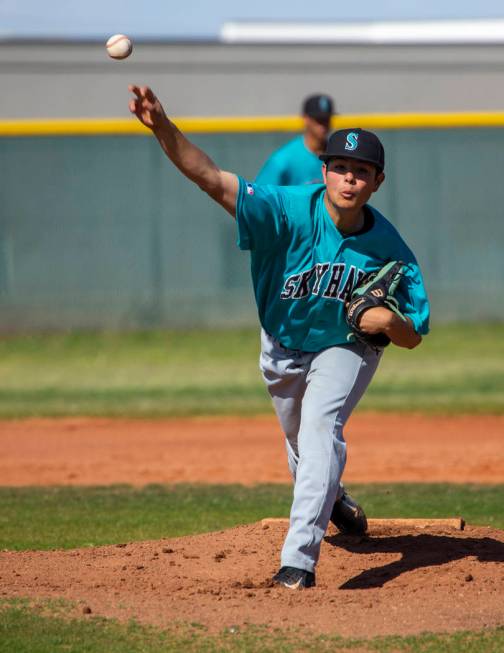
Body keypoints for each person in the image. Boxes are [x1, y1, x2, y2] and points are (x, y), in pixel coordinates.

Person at [128, 85, 430, 590]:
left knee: (319, 428)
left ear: (377, 182)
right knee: (300, 440)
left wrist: (388, 324)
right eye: (340, 167)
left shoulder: (389, 248)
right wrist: (162, 125)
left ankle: (298, 563)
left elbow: (413, 334)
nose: (349, 178)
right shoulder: (285, 210)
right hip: (282, 345)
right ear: (324, 171)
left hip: (345, 345)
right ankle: (331, 498)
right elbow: (208, 176)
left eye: (361, 172)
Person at [256, 93, 335, 185]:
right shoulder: (283, 160)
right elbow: (260, 194)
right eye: (318, 119)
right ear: (305, 118)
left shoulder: (337, 154)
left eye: (326, 119)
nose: (323, 124)